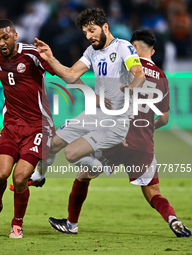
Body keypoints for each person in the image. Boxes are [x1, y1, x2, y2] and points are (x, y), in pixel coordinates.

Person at [48, 29, 191, 238]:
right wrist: (147, 128)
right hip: (142, 143)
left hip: (114, 135)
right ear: (152, 51)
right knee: (153, 192)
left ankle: (71, 223)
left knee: (83, 175)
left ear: (132, 48)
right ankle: (172, 218)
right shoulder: (162, 77)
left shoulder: (125, 64)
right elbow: (164, 119)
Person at [31, 8, 145, 233]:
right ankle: (40, 175)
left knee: (71, 154)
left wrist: (131, 88)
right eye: (85, 32)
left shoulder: (123, 47)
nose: (88, 36)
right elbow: (72, 76)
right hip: (96, 114)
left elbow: (139, 74)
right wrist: (50, 58)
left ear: (105, 27)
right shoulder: (92, 51)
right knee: (53, 143)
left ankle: (101, 164)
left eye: (92, 31)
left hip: (116, 121)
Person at [0, 19, 55, 238]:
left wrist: (50, 58)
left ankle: (17, 223)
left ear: (15, 35)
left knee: (19, 178)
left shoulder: (32, 54)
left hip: (36, 127)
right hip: (11, 125)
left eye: (5, 37)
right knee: (0, 175)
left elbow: (59, 72)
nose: (1, 42)